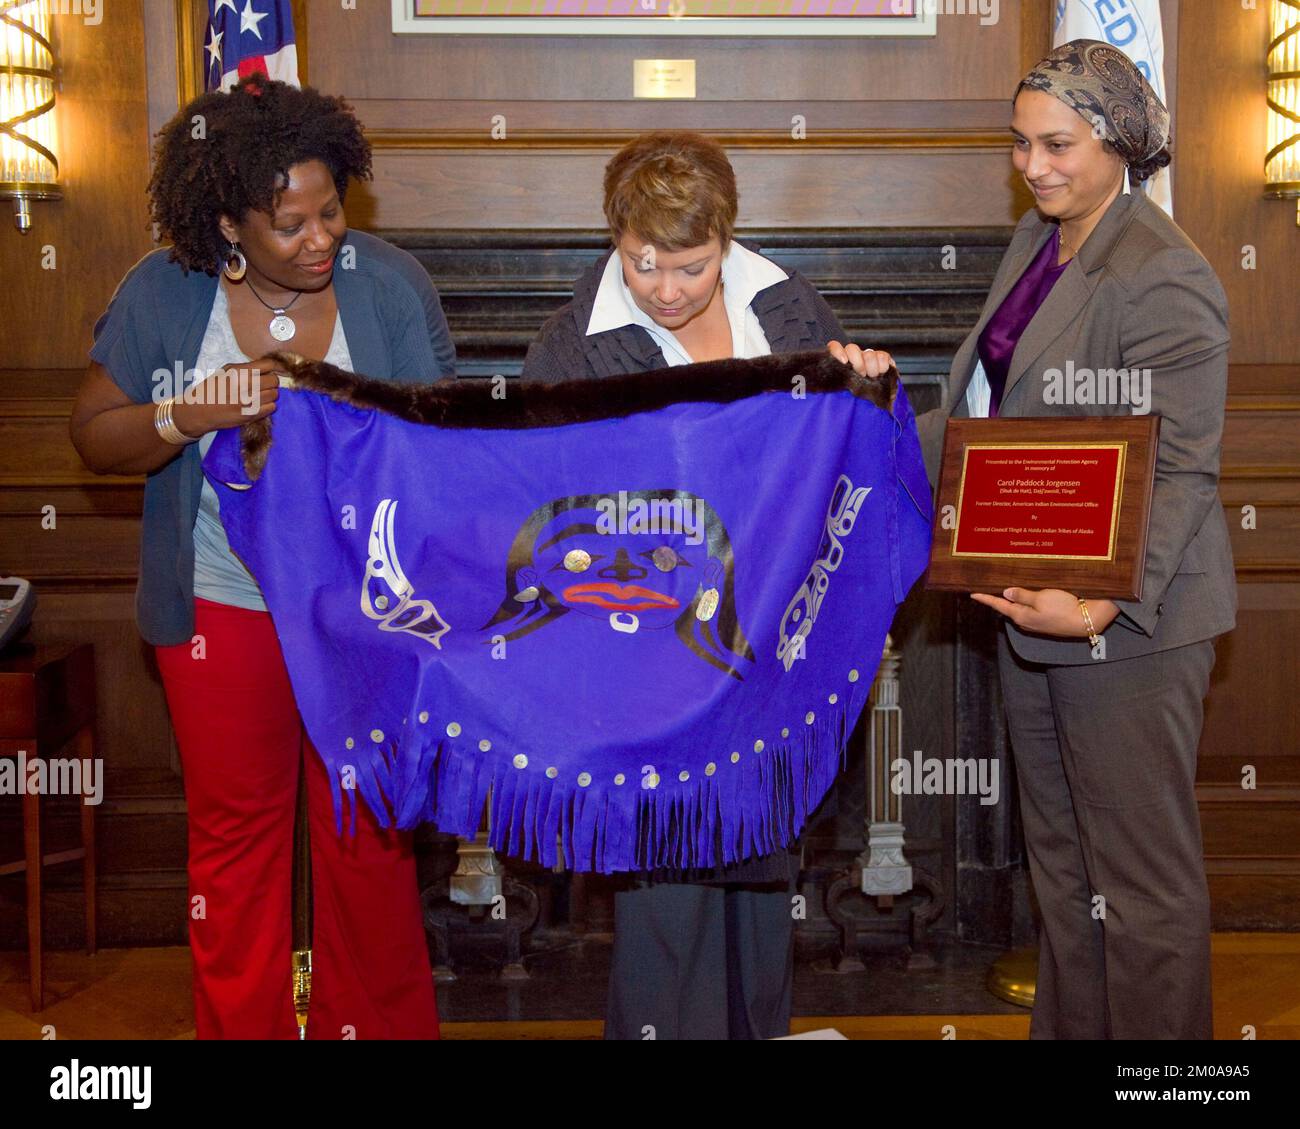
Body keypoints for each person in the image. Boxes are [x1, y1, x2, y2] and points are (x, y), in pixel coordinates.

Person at [832, 40, 1234, 1039]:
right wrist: (869, 411)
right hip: (1028, 610)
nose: (1032, 165)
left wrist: (1098, 604)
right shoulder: (1037, 242)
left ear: (1117, 140)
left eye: (1055, 144)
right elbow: (988, 418)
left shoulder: (1163, 275)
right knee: (1062, 872)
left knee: (1140, 890)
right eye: (1019, 144)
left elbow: (1183, 467)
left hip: (1129, 629)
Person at [69, 72, 456, 1039]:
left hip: (361, 614)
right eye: (290, 222)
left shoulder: (391, 284)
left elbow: (450, 447)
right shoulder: (165, 292)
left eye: (331, 210)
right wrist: (190, 410)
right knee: (236, 850)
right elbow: (94, 438)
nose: (322, 237)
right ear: (229, 224)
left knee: (367, 841)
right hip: (221, 610)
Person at [523, 130, 848, 1040]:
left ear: (729, 240)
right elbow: (546, 512)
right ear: (615, 238)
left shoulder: (784, 304)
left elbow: (824, 454)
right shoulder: (570, 345)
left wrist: (859, 386)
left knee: (759, 879)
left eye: (692, 267)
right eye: (643, 263)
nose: (666, 288)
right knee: (667, 894)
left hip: (767, 645)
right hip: (644, 663)